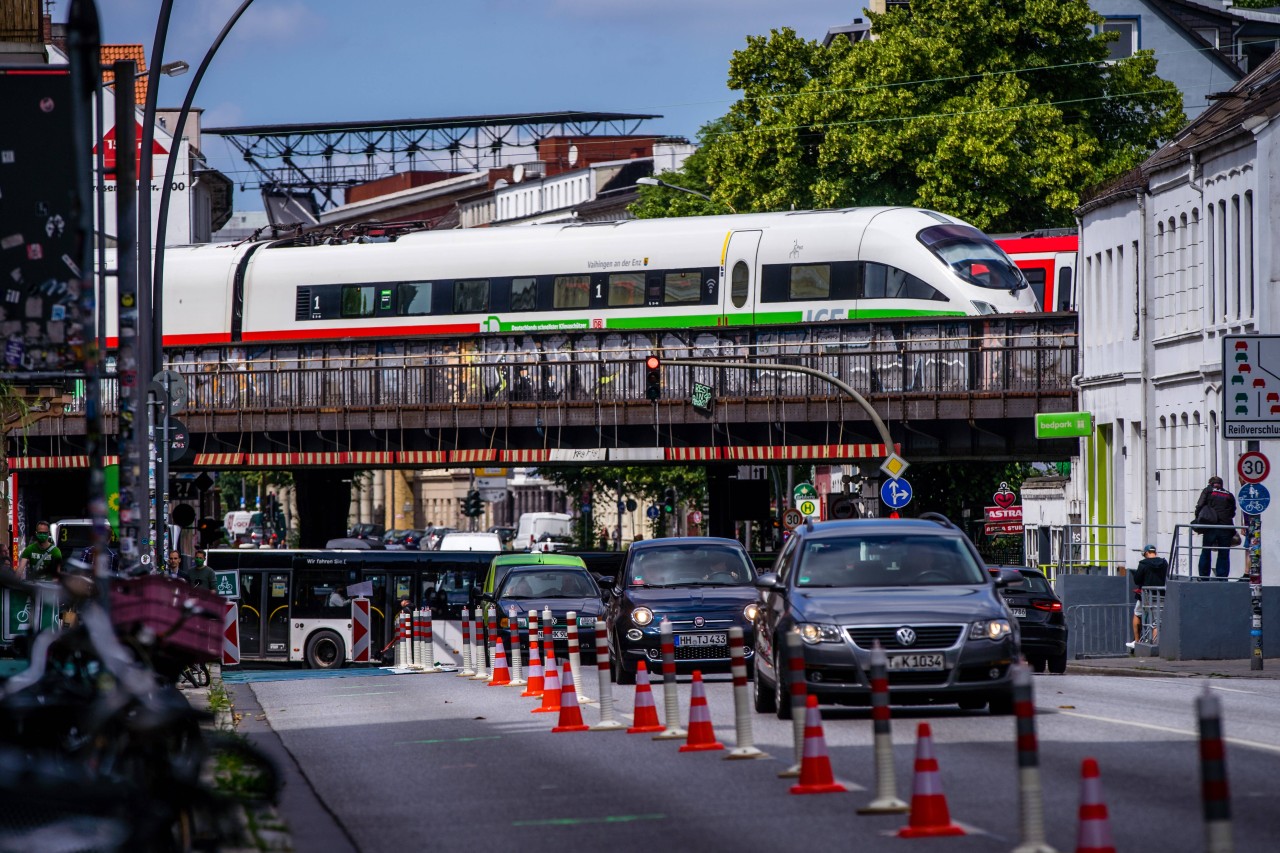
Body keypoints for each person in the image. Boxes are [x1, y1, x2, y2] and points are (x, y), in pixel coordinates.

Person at [1127, 544, 1168, 651]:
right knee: (1157, 622)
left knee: (1137, 613)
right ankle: (1155, 646)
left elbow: (1137, 580)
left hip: (1145, 596)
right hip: (1161, 595)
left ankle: (1137, 641)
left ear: (1146, 553)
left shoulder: (1143, 564)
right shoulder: (1164, 563)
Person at [1194, 476, 1237, 578]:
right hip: (1226, 527)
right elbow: (1232, 512)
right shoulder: (1229, 494)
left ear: (1210, 483)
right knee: (1224, 553)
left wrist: (1198, 518)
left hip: (1210, 526)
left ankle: (1204, 576)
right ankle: (1222, 577)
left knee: (1206, 551)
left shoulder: (1208, 491)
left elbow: (1200, 505)